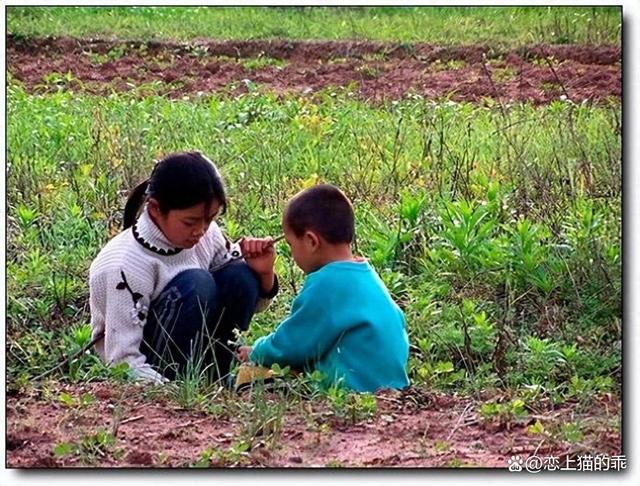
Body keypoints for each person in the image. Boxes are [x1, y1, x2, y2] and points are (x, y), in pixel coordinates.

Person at [89, 151, 278, 384]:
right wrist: (172, 393)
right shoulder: (123, 265)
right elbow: (120, 361)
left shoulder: (206, 235)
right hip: (151, 365)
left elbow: (244, 297)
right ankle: (185, 381)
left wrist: (263, 273)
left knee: (240, 274)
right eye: (190, 222)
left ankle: (218, 371)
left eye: (209, 219)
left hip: (196, 350)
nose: (201, 230)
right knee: (197, 284)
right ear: (156, 208)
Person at [238, 184, 409, 393]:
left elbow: (291, 345)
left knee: (245, 379)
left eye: (291, 244)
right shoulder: (366, 275)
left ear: (311, 241)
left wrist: (256, 351)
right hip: (392, 389)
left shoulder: (327, 283)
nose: (292, 253)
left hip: (352, 390)